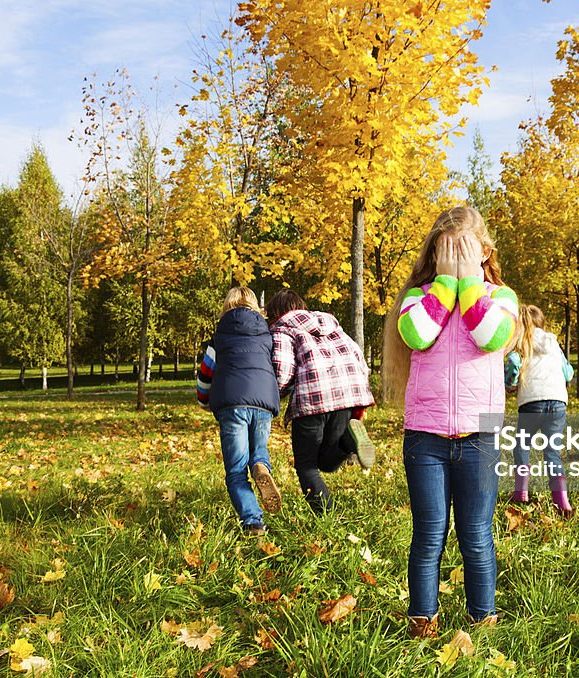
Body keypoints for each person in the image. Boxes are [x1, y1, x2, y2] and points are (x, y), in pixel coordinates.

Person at [382, 206, 518, 639]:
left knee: (476, 534)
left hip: (480, 435)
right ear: (435, 254)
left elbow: (491, 336)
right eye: (449, 250)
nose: (458, 258)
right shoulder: (418, 299)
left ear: (484, 253)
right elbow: (418, 334)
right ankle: (422, 620)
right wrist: (443, 285)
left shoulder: (501, 298)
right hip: (425, 436)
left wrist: (472, 288)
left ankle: (483, 619)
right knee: (429, 533)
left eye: (467, 249)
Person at [267, 289, 375, 513]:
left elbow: (282, 369)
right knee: (326, 462)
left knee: (306, 466)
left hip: (312, 400)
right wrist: (358, 398)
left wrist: (274, 396)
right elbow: (359, 359)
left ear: (275, 313)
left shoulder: (282, 329)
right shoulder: (332, 325)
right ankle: (349, 441)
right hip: (346, 397)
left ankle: (326, 516)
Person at [196, 287, 282, 536]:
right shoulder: (267, 334)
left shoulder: (220, 335)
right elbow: (276, 364)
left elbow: (205, 373)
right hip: (264, 400)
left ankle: (253, 521)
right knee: (259, 450)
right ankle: (261, 466)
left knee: (235, 471)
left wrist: (203, 401)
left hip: (232, 403)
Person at [504, 304, 575, 517]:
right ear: (542, 322)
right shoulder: (554, 344)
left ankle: (521, 492)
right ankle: (562, 502)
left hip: (531, 403)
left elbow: (514, 364)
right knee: (552, 450)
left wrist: (510, 384)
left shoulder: (521, 344)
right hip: (557, 402)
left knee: (522, 446)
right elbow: (568, 373)